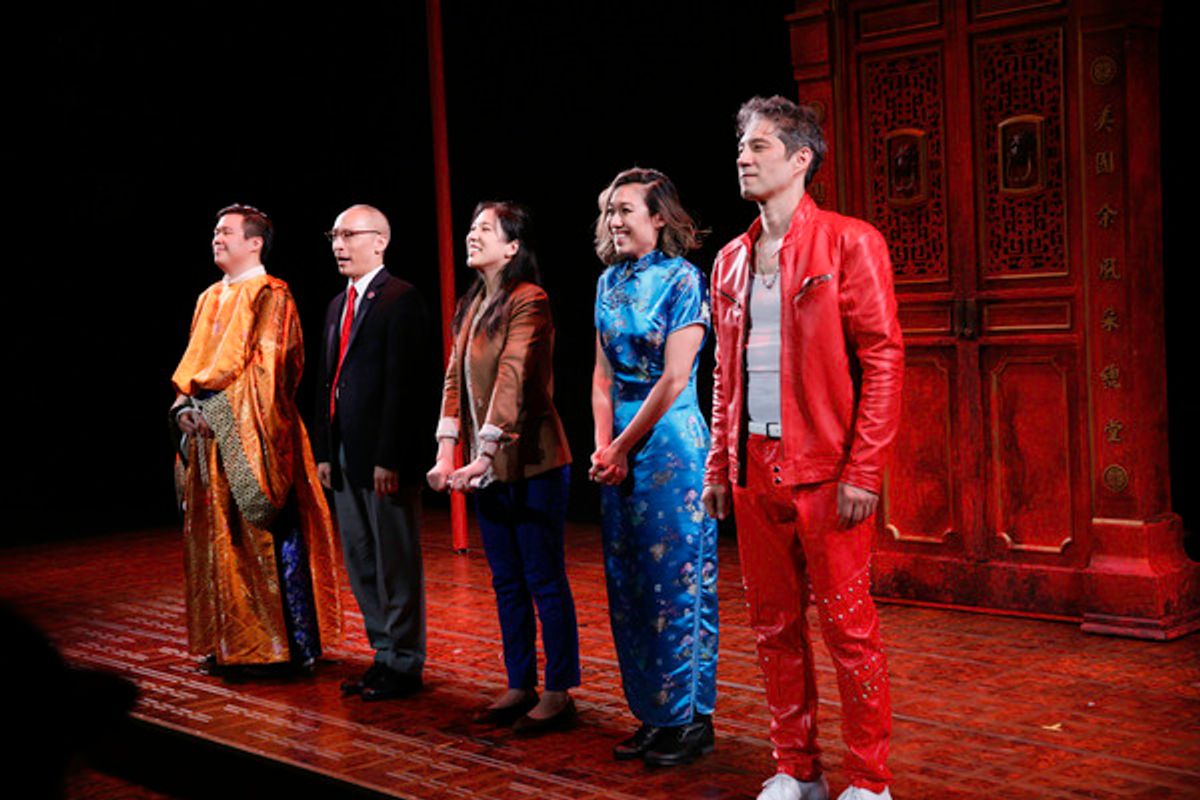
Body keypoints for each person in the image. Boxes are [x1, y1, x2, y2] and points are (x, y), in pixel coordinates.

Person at [703, 96, 904, 800]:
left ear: (800, 160)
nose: (743, 157)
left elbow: (882, 358)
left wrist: (865, 467)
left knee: (848, 630)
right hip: (754, 465)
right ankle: (795, 768)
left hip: (826, 468)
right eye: (740, 145)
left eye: (759, 146)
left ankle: (870, 781)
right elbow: (724, 374)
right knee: (772, 628)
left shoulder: (850, 242)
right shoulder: (729, 259)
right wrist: (719, 467)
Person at [427, 201, 580, 735]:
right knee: (506, 582)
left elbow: (514, 376)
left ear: (512, 247)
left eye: (485, 229)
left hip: (533, 463)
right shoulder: (472, 304)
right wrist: (447, 453)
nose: (472, 235)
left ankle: (559, 692)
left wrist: (484, 454)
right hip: (482, 468)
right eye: (470, 227)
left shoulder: (528, 300)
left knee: (543, 578)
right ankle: (520, 683)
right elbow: (452, 381)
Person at [171, 204, 342, 676]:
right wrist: (185, 408)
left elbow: (271, 372)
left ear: (255, 242)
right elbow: (192, 364)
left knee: (263, 534)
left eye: (226, 231)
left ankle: (281, 648)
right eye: (214, 230)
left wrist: (218, 415)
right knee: (217, 539)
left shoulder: (272, 294)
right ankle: (227, 643)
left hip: (253, 433)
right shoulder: (208, 297)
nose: (216, 238)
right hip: (208, 435)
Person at [591, 168, 718, 767]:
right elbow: (600, 375)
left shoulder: (684, 280)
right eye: (610, 211)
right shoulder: (606, 283)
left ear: (658, 217)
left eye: (627, 210)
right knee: (630, 585)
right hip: (617, 444)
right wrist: (602, 444)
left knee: (677, 584)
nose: (615, 221)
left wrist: (622, 446)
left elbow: (672, 379)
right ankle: (651, 714)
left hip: (669, 442)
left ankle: (689, 721)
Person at [312, 204, 432, 702]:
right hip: (343, 454)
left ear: (379, 241)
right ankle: (382, 654)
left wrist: (392, 457)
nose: (339, 244)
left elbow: (407, 387)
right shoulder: (338, 304)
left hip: (384, 458)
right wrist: (323, 448)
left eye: (349, 235)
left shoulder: (401, 299)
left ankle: (406, 661)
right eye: (333, 235)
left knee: (395, 560)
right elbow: (327, 383)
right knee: (361, 559)